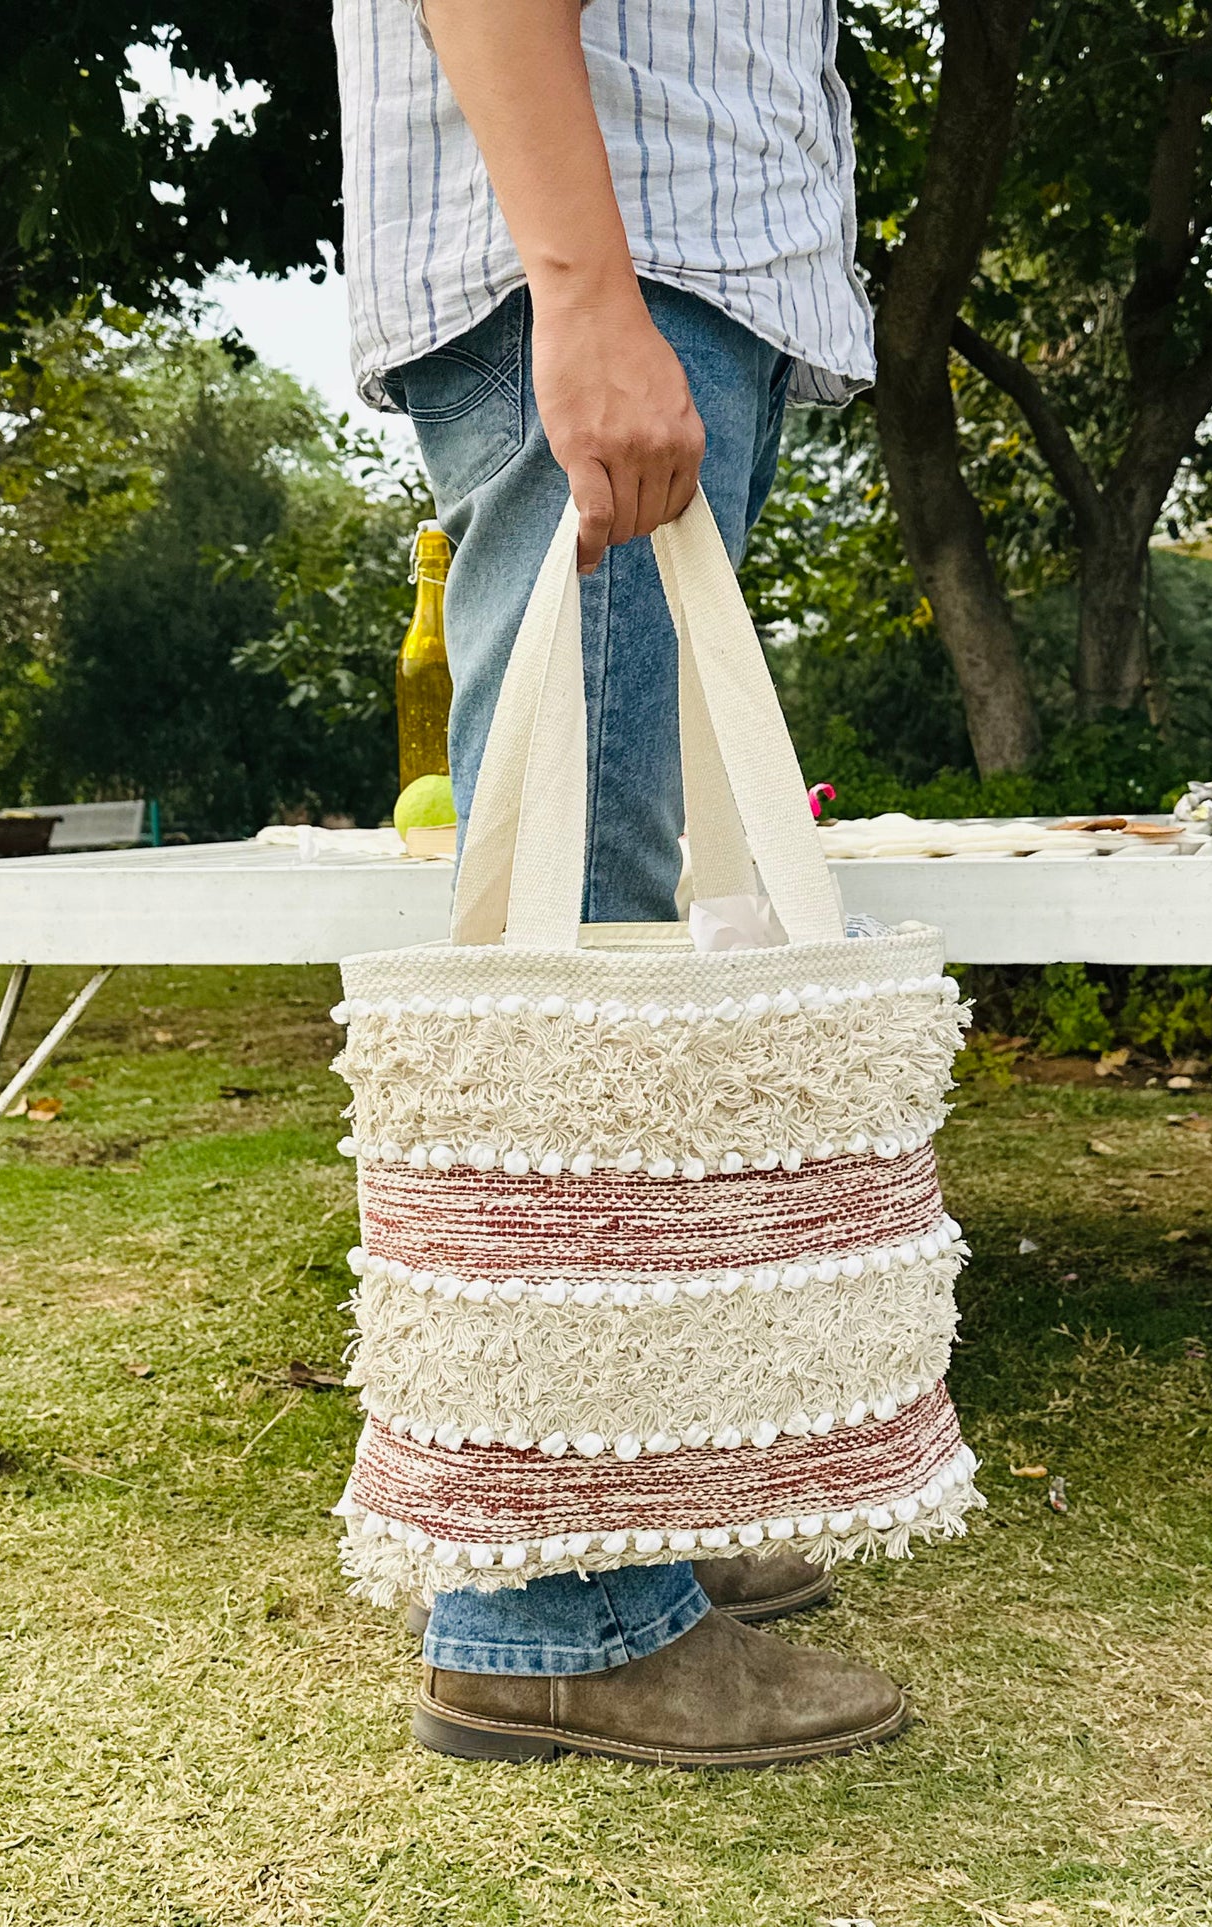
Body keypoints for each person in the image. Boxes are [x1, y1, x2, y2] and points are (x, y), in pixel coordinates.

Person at [334, 0, 910, 1767]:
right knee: (579, 944)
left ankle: (627, 1496)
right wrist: (585, 298)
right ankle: (545, 1608)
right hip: (598, 256)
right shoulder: (587, 290)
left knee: (626, 923)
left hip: (650, 256)